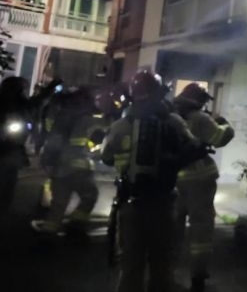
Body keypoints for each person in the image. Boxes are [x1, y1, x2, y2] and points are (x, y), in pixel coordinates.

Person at [102, 70, 206, 292]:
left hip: (131, 203)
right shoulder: (174, 122)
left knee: (130, 264)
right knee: (162, 263)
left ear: (133, 93)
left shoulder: (122, 125)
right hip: (163, 204)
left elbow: (106, 157)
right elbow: (193, 147)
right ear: (159, 93)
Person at [174, 83, 234, 292]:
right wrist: (224, 124)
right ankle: (197, 275)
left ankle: (165, 271)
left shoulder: (170, 117)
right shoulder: (200, 118)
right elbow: (220, 138)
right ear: (198, 100)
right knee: (201, 229)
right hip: (199, 180)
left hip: (172, 181)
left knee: (172, 228)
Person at [31, 87, 106, 236]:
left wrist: (47, 161)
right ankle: (76, 224)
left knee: (58, 205)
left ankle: (47, 234)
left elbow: (53, 140)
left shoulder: (62, 116)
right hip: (79, 169)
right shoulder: (87, 119)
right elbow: (101, 131)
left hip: (59, 169)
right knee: (90, 196)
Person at [0, 77, 58, 215]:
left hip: (13, 146)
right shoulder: (4, 102)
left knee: (10, 177)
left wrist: (51, 88)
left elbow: (37, 103)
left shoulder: (22, 103)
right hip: (8, 144)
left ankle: (3, 207)